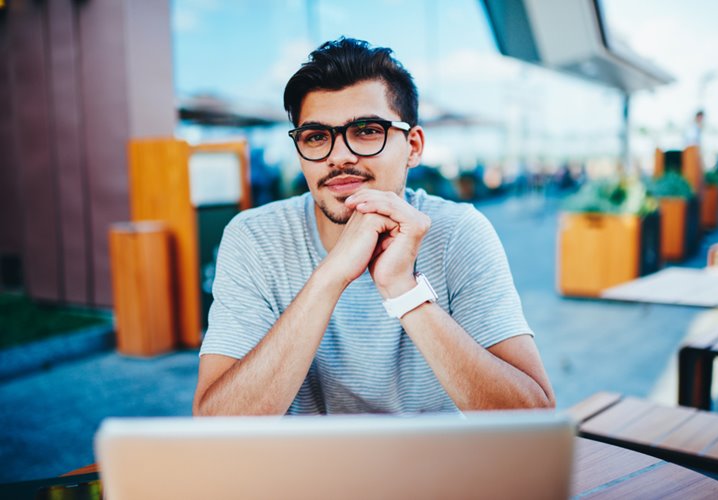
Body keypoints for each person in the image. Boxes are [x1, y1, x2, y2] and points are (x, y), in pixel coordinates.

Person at [193, 37, 554, 416]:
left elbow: (532, 416)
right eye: (316, 137)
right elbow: (218, 424)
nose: (340, 156)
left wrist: (403, 289)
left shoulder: (456, 232)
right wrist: (330, 277)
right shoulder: (255, 237)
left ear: (413, 147)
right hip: (301, 474)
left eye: (367, 130)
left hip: (434, 471)